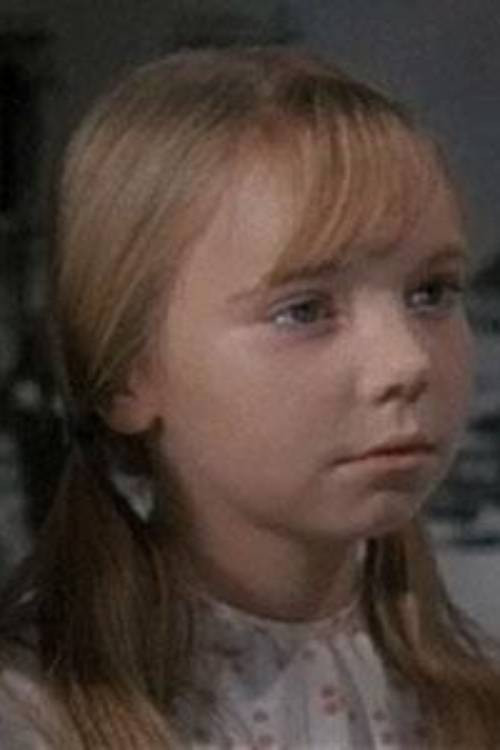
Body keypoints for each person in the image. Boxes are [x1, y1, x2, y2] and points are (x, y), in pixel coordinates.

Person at [0, 45, 498, 750]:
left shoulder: (469, 695)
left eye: (431, 293)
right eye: (304, 310)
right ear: (129, 376)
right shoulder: (38, 716)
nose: (407, 363)